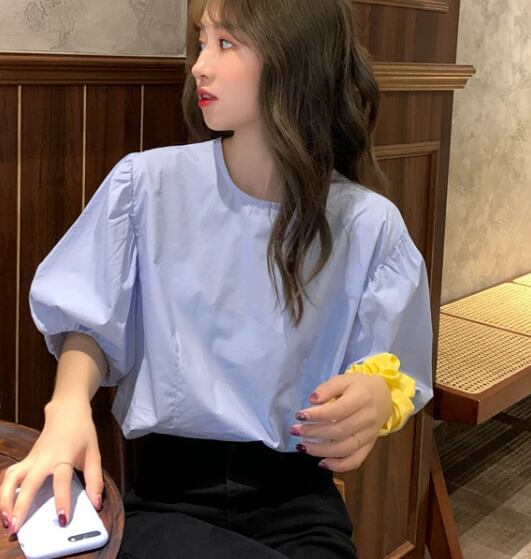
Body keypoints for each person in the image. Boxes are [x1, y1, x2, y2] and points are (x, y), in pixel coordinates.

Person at [0, 0, 434, 557]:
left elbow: (393, 364)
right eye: (202, 42)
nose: (200, 66)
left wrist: (374, 398)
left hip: (303, 505)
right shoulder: (148, 184)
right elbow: (89, 318)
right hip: (166, 502)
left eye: (226, 43)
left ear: (295, 55)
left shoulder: (367, 223)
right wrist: (67, 409)